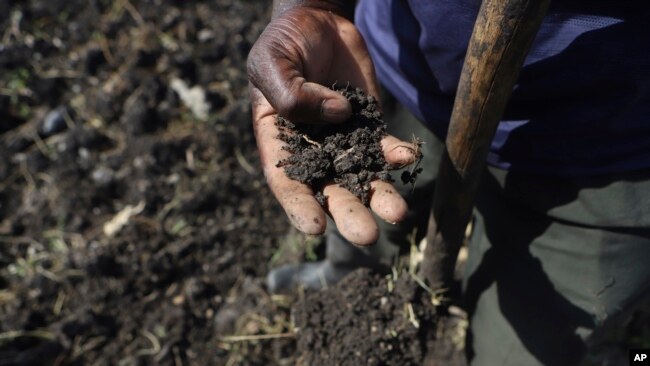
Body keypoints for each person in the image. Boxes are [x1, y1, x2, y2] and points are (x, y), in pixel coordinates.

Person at [247, 0, 650, 365]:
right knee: (364, 208)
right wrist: (313, 6)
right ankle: (348, 275)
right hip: (399, 72)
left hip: (609, 148)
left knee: (524, 348)